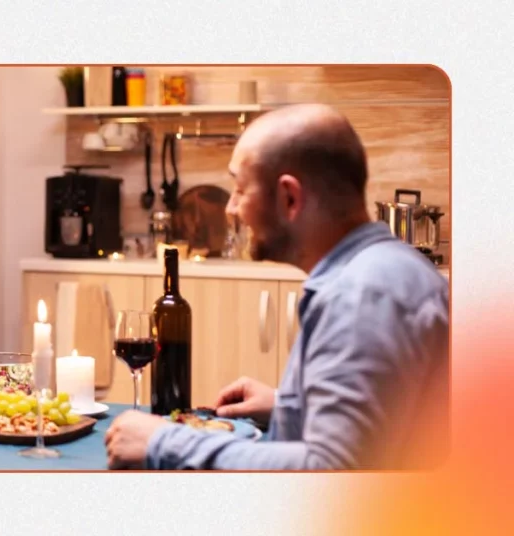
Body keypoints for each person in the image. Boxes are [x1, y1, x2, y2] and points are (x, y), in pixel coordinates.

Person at [105, 104, 450, 470]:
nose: (231, 209)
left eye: (239, 189)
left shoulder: (361, 295)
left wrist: (164, 441)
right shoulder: (387, 268)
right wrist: (289, 404)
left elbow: (333, 472)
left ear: (289, 198)